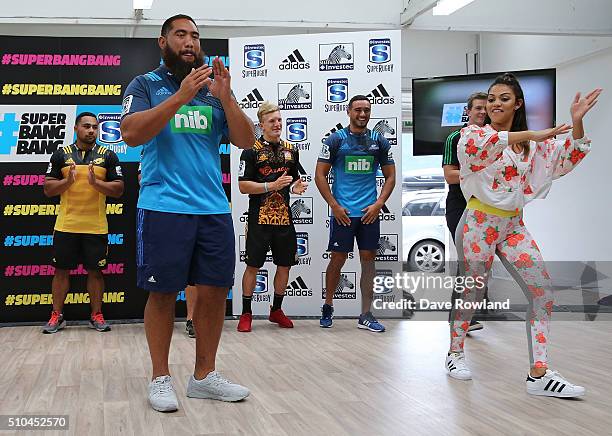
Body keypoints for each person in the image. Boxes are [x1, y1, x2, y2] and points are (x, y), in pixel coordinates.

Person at [120, 14, 254, 412]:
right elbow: (131, 133)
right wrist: (179, 96)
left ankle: (203, 377)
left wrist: (226, 96)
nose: (190, 41)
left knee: (213, 293)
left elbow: (246, 141)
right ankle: (160, 378)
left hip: (212, 207)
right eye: (180, 34)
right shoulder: (145, 85)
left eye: (195, 35)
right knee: (162, 293)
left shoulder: (213, 92)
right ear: (163, 42)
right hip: (164, 207)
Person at [445, 72, 601, 398]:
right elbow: (481, 150)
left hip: (513, 225)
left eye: (504, 98)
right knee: (473, 290)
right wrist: (532, 133)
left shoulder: (531, 148)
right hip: (478, 223)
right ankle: (455, 352)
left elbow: (567, 156)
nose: (495, 104)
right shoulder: (472, 135)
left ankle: (539, 374)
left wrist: (577, 122)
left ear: (517, 104)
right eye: (491, 99)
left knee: (542, 292)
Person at [315, 95, 395, 332]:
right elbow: (320, 175)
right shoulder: (335, 140)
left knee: (369, 263)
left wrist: (379, 203)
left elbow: (390, 177)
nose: (362, 114)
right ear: (348, 111)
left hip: (369, 213)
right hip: (344, 214)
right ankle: (328, 305)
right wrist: (335, 206)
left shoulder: (379, 141)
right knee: (337, 259)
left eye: (367, 110)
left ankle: (366, 314)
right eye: (358, 110)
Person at [42, 112, 124, 334]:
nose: (91, 131)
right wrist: (66, 182)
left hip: (95, 226)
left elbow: (118, 189)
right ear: (76, 128)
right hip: (66, 224)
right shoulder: (61, 155)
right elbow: (48, 189)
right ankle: (56, 315)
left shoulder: (108, 155)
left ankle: (96, 315)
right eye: (86, 126)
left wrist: (96, 183)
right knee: (61, 272)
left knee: (95, 273)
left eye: (95, 127)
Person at [236, 102, 308, 332]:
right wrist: (271, 185)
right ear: (262, 125)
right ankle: (246, 313)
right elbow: (242, 186)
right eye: (272, 121)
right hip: (260, 219)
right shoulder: (250, 151)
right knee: (252, 266)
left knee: (285, 266)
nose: (277, 124)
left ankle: (276, 310)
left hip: (285, 219)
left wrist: (296, 187)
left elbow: (294, 180)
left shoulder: (291, 150)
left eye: (279, 120)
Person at [442, 92, 488, 332]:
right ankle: (458, 318)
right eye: (477, 108)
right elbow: (450, 175)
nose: (482, 112)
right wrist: (480, 176)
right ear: (468, 112)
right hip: (460, 205)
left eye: (485, 108)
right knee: (466, 262)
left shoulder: (495, 138)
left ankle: (471, 314)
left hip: (487, 206)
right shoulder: (454, 138)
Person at [138, 164, 197, 338]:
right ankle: (159, 365)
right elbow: (141, 179)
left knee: (198, 278)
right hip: (163, 209)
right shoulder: (152, 143)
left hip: (202, 206)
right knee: (161, 289)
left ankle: (191, 319)